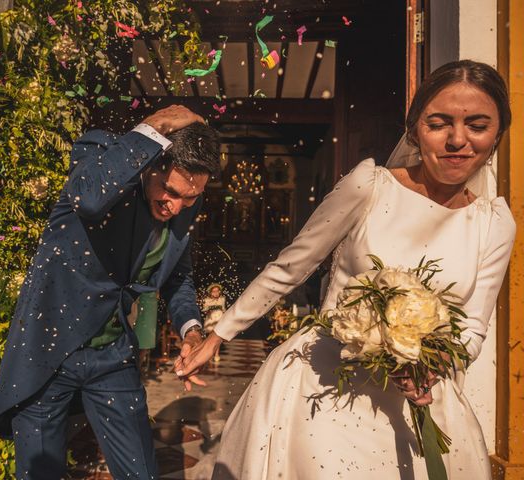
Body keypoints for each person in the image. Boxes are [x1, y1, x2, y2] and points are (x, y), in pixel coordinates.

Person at [175, 60, 516, 479]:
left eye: (477, 126)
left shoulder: (495, 223)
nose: (457, 140)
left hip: (416, 402)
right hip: (323, 390)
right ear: (413, 129)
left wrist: (434, 366)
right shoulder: (370, 186)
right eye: (439, 123)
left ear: (497, 134)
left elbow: (473, 329)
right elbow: (293, 265)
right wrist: (218, 334)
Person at [0, 105, 220, 480]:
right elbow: (89, 199)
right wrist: (154, 125)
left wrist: (192, 330)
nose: (175, 206)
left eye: (189, 199)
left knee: (140, 472)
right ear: (153, 162)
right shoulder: (101, 158)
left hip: (112, 357)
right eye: (170, 192)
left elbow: (178, 277)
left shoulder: (184, 203)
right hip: (49, 354)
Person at [202, 283, 226, 362]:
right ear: (211, 292)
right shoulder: (207, 300)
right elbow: (204, 309)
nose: (216, 293)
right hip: (211, 319)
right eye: (214, 291)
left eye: (217, 291)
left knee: (217, 338)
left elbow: (223, 309)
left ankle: (216, 354)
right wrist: (208, 309)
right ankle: (209, 354)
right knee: (209, 338)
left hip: (219, 319)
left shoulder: (222, 299)